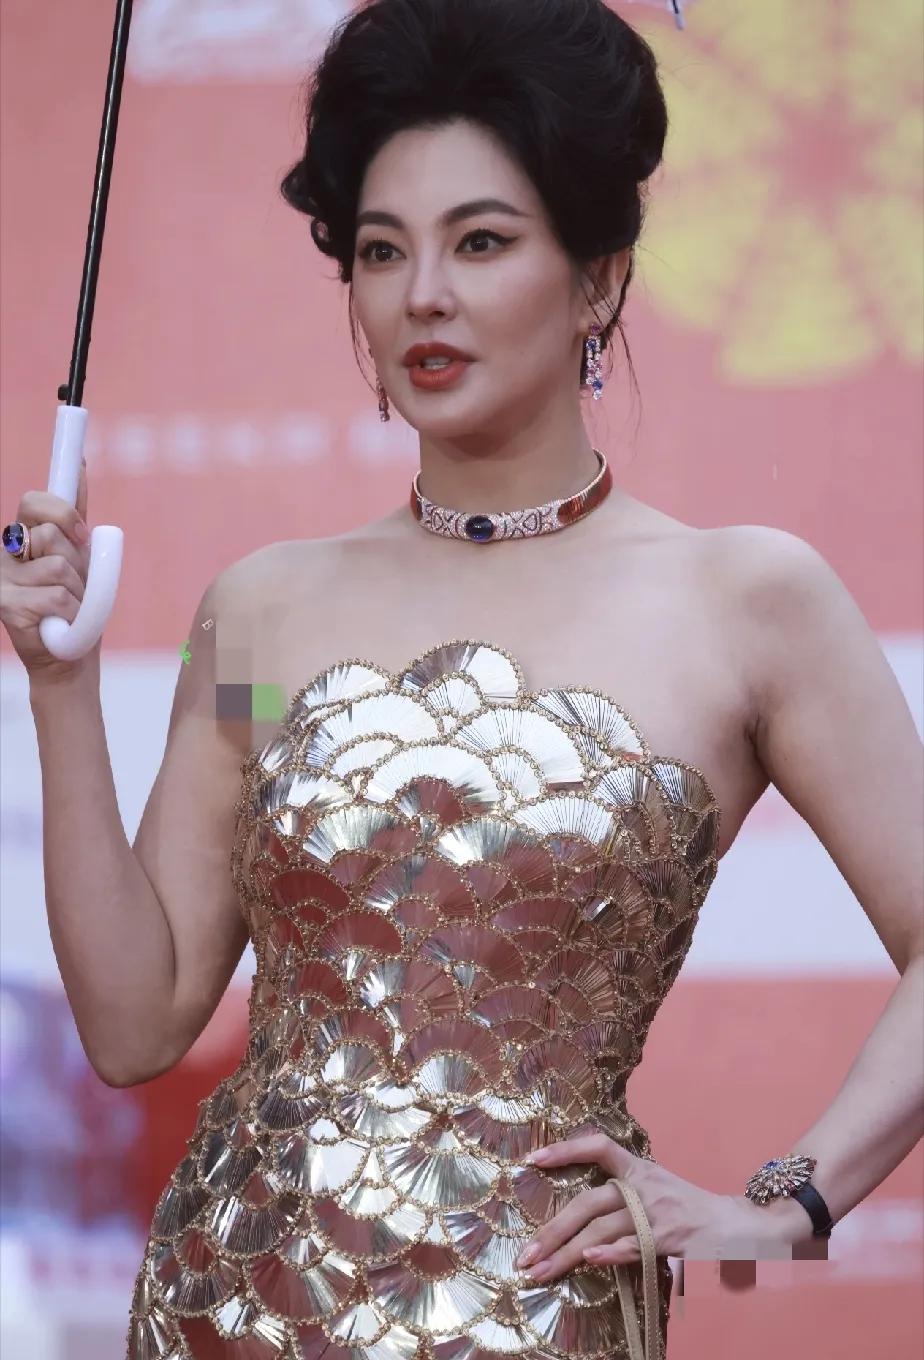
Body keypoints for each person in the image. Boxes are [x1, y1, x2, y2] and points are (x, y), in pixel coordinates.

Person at [2, 1, 921, 1357]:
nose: (421, 295)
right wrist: (58, 685)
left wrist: (784, 1209)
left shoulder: (749, 604)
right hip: (226, 1307)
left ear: (599, 278)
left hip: (545, 1317)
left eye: (480, 241)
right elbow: (138, 1020)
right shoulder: (256, 620)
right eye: (383, 251)